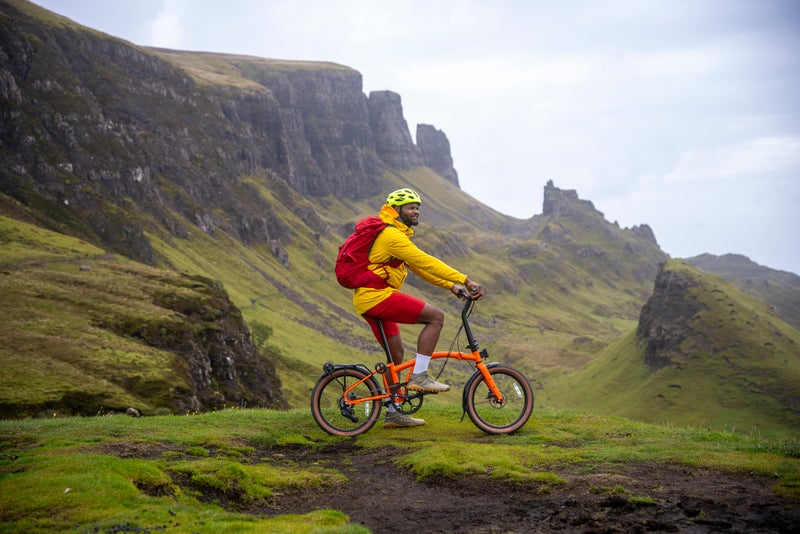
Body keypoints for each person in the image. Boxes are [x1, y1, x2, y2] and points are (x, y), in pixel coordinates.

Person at [352, 188, 484, 428]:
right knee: (436, 317)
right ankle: (420, 376)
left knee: (396, 356)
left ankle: (392, 412)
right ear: (397, 210)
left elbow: (417, 268)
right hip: (377, 297)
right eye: (411, 207)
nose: (417, 212)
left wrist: (451, 286)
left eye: (418, 207)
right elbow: (424, 260)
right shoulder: (392, 236)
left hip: (371, 298)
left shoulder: (396, 234)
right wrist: (465, 279)